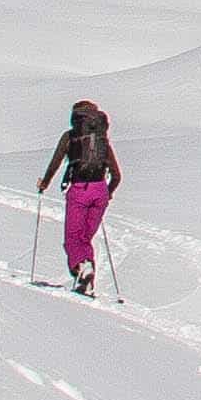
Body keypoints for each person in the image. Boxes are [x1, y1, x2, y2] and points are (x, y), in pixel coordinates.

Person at [35, 98, 122, 295]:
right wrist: (107, 194)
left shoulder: (70, 137)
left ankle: (84, 269)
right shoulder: (102, 140)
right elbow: (117, 175)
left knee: (73, 239)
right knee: (85, 239)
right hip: (100, 191)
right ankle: (86, 280)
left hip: (79, 190)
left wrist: (45, 183)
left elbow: (55, 162)